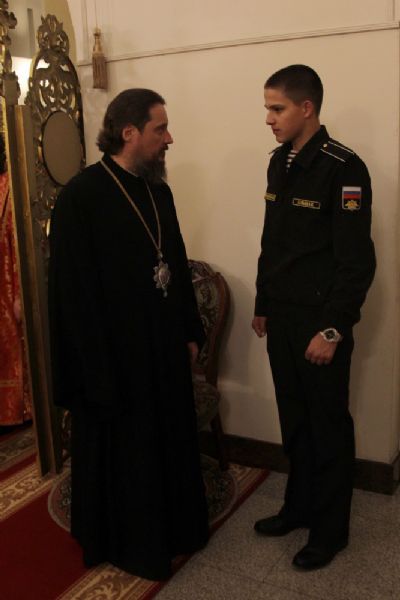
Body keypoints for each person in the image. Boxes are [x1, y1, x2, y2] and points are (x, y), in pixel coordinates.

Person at [48, 89, 209, 580]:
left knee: (169, 442)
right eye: (161, 129)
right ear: (129, 132)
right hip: (114, 357)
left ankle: (179, 528)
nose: (169, 138)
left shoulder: (158, 191)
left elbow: (174, 263)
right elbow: (72, 293)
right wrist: (94, 368)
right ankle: (132, 543)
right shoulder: (81, 197)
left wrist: (189, 330)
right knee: (129, 452)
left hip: (163, 346)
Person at [252, 65, 376, 570]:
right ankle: (298, 507)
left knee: (327, 428)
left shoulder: (343, 168)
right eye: (267, 108)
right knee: (295, 421)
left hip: (319, 323)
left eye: (277, 108)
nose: (269, 118)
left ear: (307, 108)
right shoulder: (279, 162)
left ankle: (330, 531)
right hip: (282, 318)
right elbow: (273, 241)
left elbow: (356, 262)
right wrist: (262, 302)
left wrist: (333, 329)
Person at [0, 134, 32, 427]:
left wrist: (22, 292)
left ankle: (18, 410)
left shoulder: (10, 186)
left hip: (8, 282)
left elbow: (18, 240)